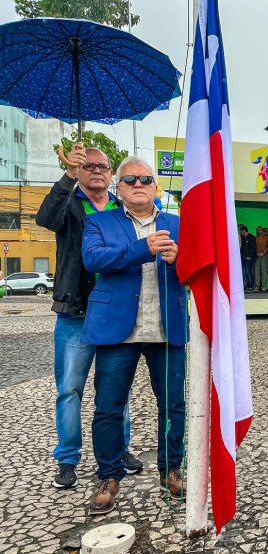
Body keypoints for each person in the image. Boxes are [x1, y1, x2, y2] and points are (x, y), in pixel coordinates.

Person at [81, 156, 187, 514]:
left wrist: (178, 260)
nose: (138, 184)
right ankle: (109, 475)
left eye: (145, 179)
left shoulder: (178, 223)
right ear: (118, 188)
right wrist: (145, 248)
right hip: (116, 330)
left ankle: (171, 469)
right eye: (130, 180)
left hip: (165, 328)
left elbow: (199, 270)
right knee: (109, 407)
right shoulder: (98, 222)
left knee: (173, 404)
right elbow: (94, 261)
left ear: (156, 186)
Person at [36, 146, 141, 490]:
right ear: (79, 171)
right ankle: (67, 457)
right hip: (75, 312)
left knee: (116, 390)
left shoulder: (121, 208)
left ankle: (118, 449)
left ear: (112, 174)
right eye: (88, 165)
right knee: (69, 390)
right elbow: (45, 218)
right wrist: (67, 174)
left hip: (114, 313)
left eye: (103, 166)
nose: (96, 170)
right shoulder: (68, 202)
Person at [239, 224, 256, 291]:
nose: (240, 233)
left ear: (244, 231)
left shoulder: (251, 237)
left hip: (249, 258)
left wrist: (249, 256)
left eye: (241, 231)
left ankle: (251, 286)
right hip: (244, 258)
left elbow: (253, 248)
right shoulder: (243, 238)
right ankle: (248, 286)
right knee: (245, 272)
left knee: (249, 272)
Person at [254, 227, 268, 292]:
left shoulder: (266, 238)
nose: (259, 231)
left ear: (262, 231)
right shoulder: (255, 238)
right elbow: (253, 247)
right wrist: (256, 253)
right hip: (256, 256)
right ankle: (257, 286)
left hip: (264, 256)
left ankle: (263, 286)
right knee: (256, 271)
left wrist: (263, 253)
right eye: (258, 230)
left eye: (260, 230)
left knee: (263, 271)